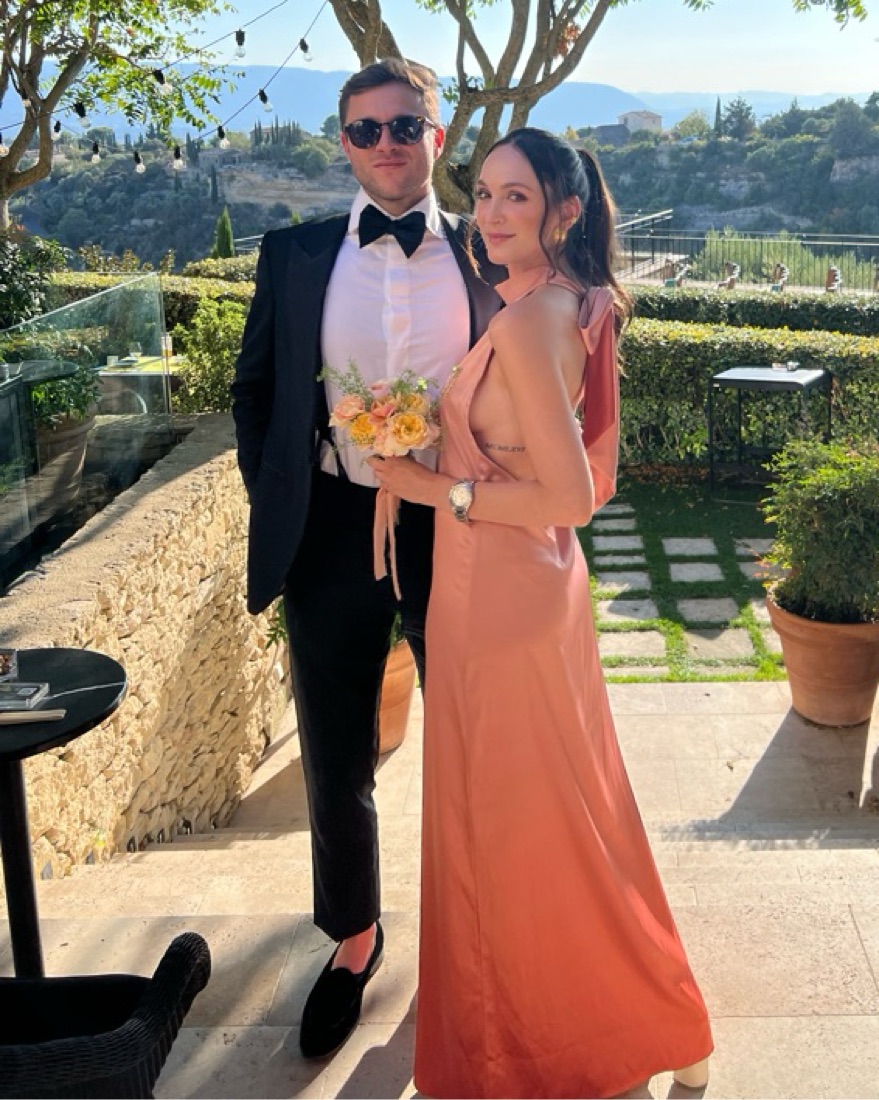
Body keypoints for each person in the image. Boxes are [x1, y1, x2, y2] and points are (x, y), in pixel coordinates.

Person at [368, 129, 714, 1098]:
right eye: (482, 193)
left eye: (514, 196)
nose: (489, 214)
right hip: (518, 584)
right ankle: (655, 1018)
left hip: (502, 595)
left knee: (525, 826)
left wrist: (431, 486)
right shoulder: (562, 302)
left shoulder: (528, 322)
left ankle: (576, 1034)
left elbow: (567, 495)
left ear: (564, 210)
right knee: (571, 811)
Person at [230, 58, 502, 1060]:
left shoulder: (488, 255)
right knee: (336, 749)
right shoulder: (293, 252)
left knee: (475, 741)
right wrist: (283, 498)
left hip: (456, 527)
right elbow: (255, 390)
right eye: (364, 129)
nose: (385, 143)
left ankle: (480, 935)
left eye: (403, 125)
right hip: (331, 527)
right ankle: (354, 937)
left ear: (437, 136)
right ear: (342, 143)